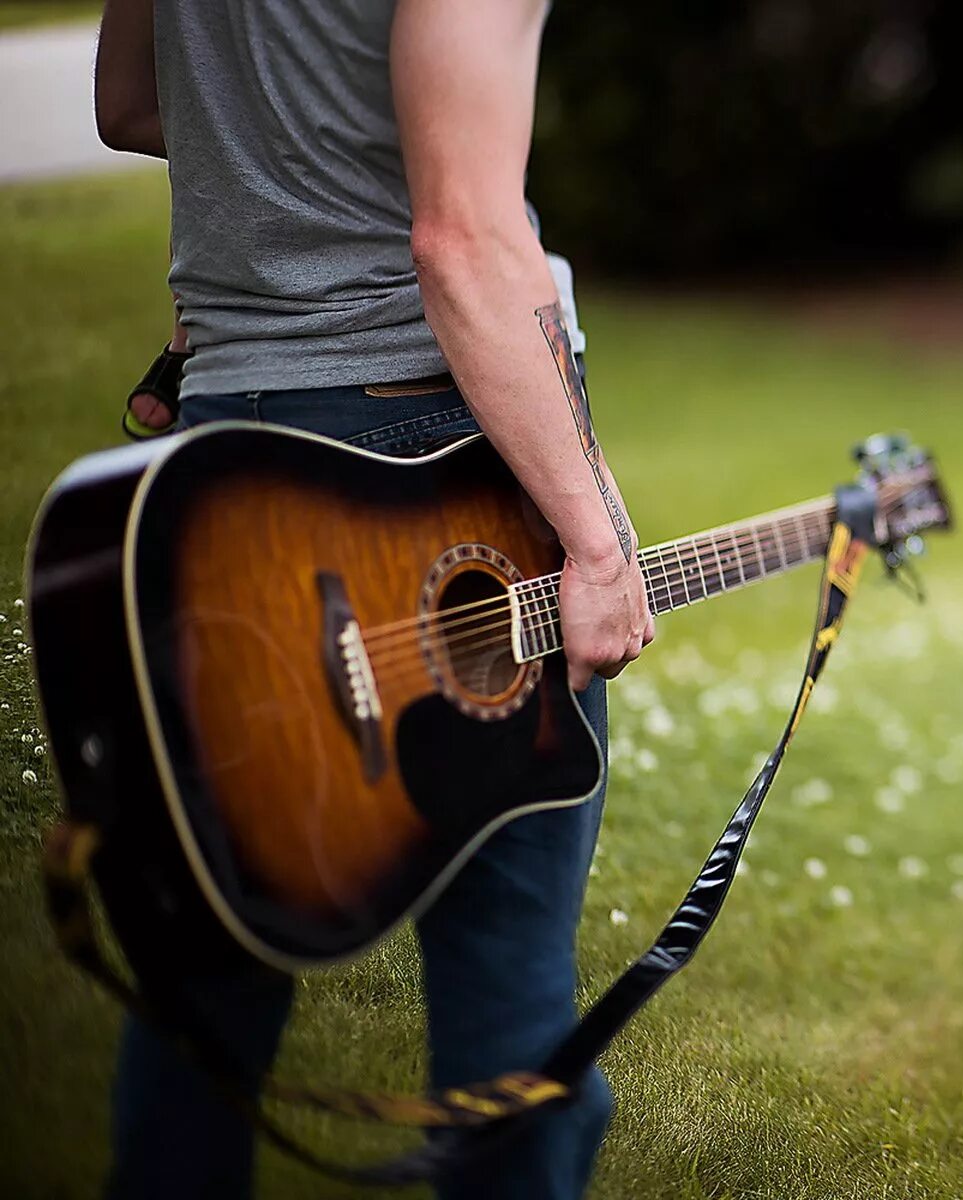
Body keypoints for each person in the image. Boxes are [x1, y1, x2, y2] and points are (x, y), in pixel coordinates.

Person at [92, 1, 653, 1195]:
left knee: (203, 988)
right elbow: (460, 238)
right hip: (420, 458)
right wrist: (596, 546)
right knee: (507, 985)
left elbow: (132, 105)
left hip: (217, 457)